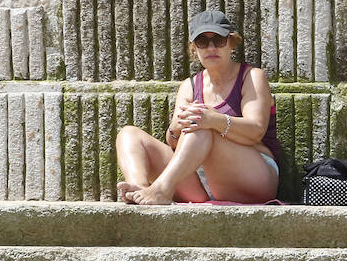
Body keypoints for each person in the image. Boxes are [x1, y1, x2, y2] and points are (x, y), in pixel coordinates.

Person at [115, 10, 281, 205]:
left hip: (254, 175)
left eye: (218, 40)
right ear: (195, 49)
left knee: (201, 127)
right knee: (128, 134)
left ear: (231, 44)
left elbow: (256, 131)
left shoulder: (251, 77)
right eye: (203, 42)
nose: (211, 48)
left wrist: (213, 120)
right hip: (200, 181)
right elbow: (174, 142)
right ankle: (140, 189)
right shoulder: (190, 85)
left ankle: (162, 189)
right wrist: (174, 128)